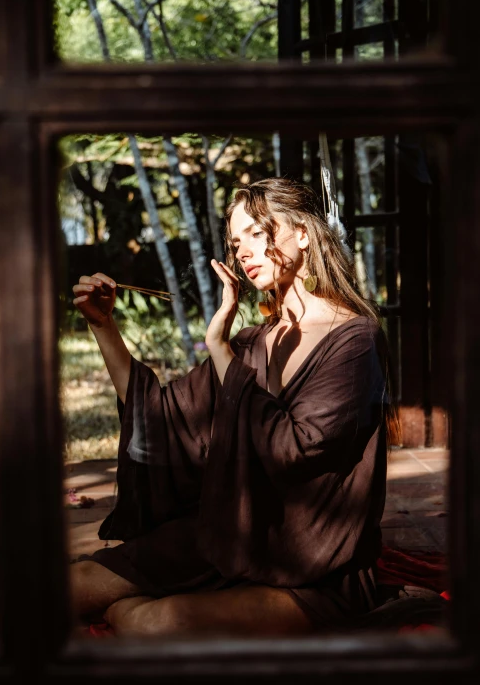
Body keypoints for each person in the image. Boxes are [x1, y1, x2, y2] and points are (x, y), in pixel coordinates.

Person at [69, 177, 397, 638]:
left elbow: (293, 448)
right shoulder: (253, 343)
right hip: (233, 535)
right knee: (74, 583)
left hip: (311, 564)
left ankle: (153, 605)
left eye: (257, 233)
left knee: (156, 622)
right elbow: (164, 417)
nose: (242, 251)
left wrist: (219, 350)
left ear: (303, 234)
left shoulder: (356, 340)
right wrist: (103, 326)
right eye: (235, 240)